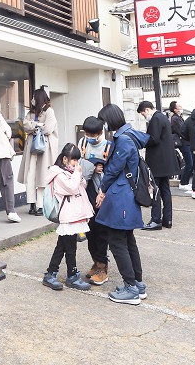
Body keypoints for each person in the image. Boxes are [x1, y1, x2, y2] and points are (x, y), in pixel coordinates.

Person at [95, 103, 148, 305]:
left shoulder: (123, 140)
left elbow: (114, 169)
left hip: (121, 196)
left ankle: (131, 288)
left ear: (109, 121)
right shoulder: (130, 135)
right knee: (128, 241)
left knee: (117, 242)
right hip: (126, 195)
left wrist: (102, 190)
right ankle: (137, 284)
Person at [42, 143, 93, 291]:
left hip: (75, 214)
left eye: (77, 160)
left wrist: (78, 174)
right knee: (69, 246)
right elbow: (71, 188)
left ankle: (52, 273)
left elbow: (81, 186)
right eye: (73, 160)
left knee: (64, 246)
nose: (76, 163)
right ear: (65, 159)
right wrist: (76, 174)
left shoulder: (70, 172)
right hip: (68, 215)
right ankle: (70, 275)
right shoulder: (58, 174)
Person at [78, 116, 111, 285]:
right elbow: (77, 164)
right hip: (87, 194)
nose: (89, 137)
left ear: (100, 133)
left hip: (103, 195)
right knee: (90, 231)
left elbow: (113, 170)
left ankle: (103, 267)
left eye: (93, 134)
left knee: (101, 233)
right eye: (87, 133)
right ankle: (96, 262)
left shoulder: (108, 146)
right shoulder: (83, 143)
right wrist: (92, 164)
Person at [137, 100, 178, 230]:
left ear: (147, 110)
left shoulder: (155, 119)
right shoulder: (163, 117)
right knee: (165, 190)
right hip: (166, 162)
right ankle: (168, 219)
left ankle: (156, 220)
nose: (144, 116)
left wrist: (142, 140)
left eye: (143, 114)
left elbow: (154, 138)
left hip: (157, 162)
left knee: (155, 190)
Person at [17, 87, 58, 215]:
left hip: (45, 148)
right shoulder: (31, 112)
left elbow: (48, 129)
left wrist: (33, 126)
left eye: (34, 97)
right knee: (30, 175)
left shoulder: (49, 111)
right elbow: (25, 125)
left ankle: (41, 205)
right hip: (31, 148)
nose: (32, 100)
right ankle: (32, 204)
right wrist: (38, 126)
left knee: (42, 176)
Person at [170, 101, 193, 190]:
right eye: (179, 106)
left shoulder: (178, 117)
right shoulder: (175, 119)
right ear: (175, 109)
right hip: (183, 143)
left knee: (189, 163)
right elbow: (182, 131)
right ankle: (183, 182)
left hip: (185, 142)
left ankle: (185, 182)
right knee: (189, 163)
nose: (181, 106)